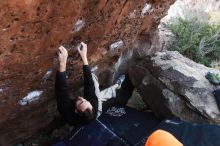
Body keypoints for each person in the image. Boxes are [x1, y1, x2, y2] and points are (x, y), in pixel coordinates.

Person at [55, 42, 126, 126]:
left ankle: (115, 88)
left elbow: (61, 90)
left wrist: (62, 63)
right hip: (97, 111)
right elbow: (89, 85)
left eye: (80, 102)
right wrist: (84, 56)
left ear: (76, 110)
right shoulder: (93, 105)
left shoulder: (67, 111)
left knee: (99, 96)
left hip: (78, 114)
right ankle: (117, 86)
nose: (82, 98)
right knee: (93, 82)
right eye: (85, 100)